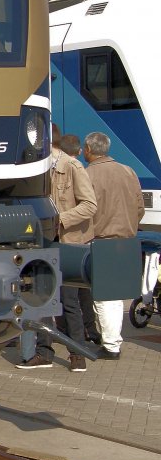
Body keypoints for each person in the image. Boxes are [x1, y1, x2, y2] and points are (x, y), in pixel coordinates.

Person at [17, 127, 97, 371]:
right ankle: (44, 352)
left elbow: (90, 205)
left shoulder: (72, 167)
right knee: (40, 299)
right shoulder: (36, 168)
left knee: (68, 302)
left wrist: (61, 218)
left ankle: (77, 355)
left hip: (68, 242)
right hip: (42, 242)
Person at [83, 131, 145, 360]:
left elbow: (85, 210)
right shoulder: (128, 171)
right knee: (117, 295)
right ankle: (113, 340)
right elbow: (140, 208)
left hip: (102, 241)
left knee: (104, 296)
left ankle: (111, 345)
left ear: (88, 150)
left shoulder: (88, 174)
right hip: (127, 241)